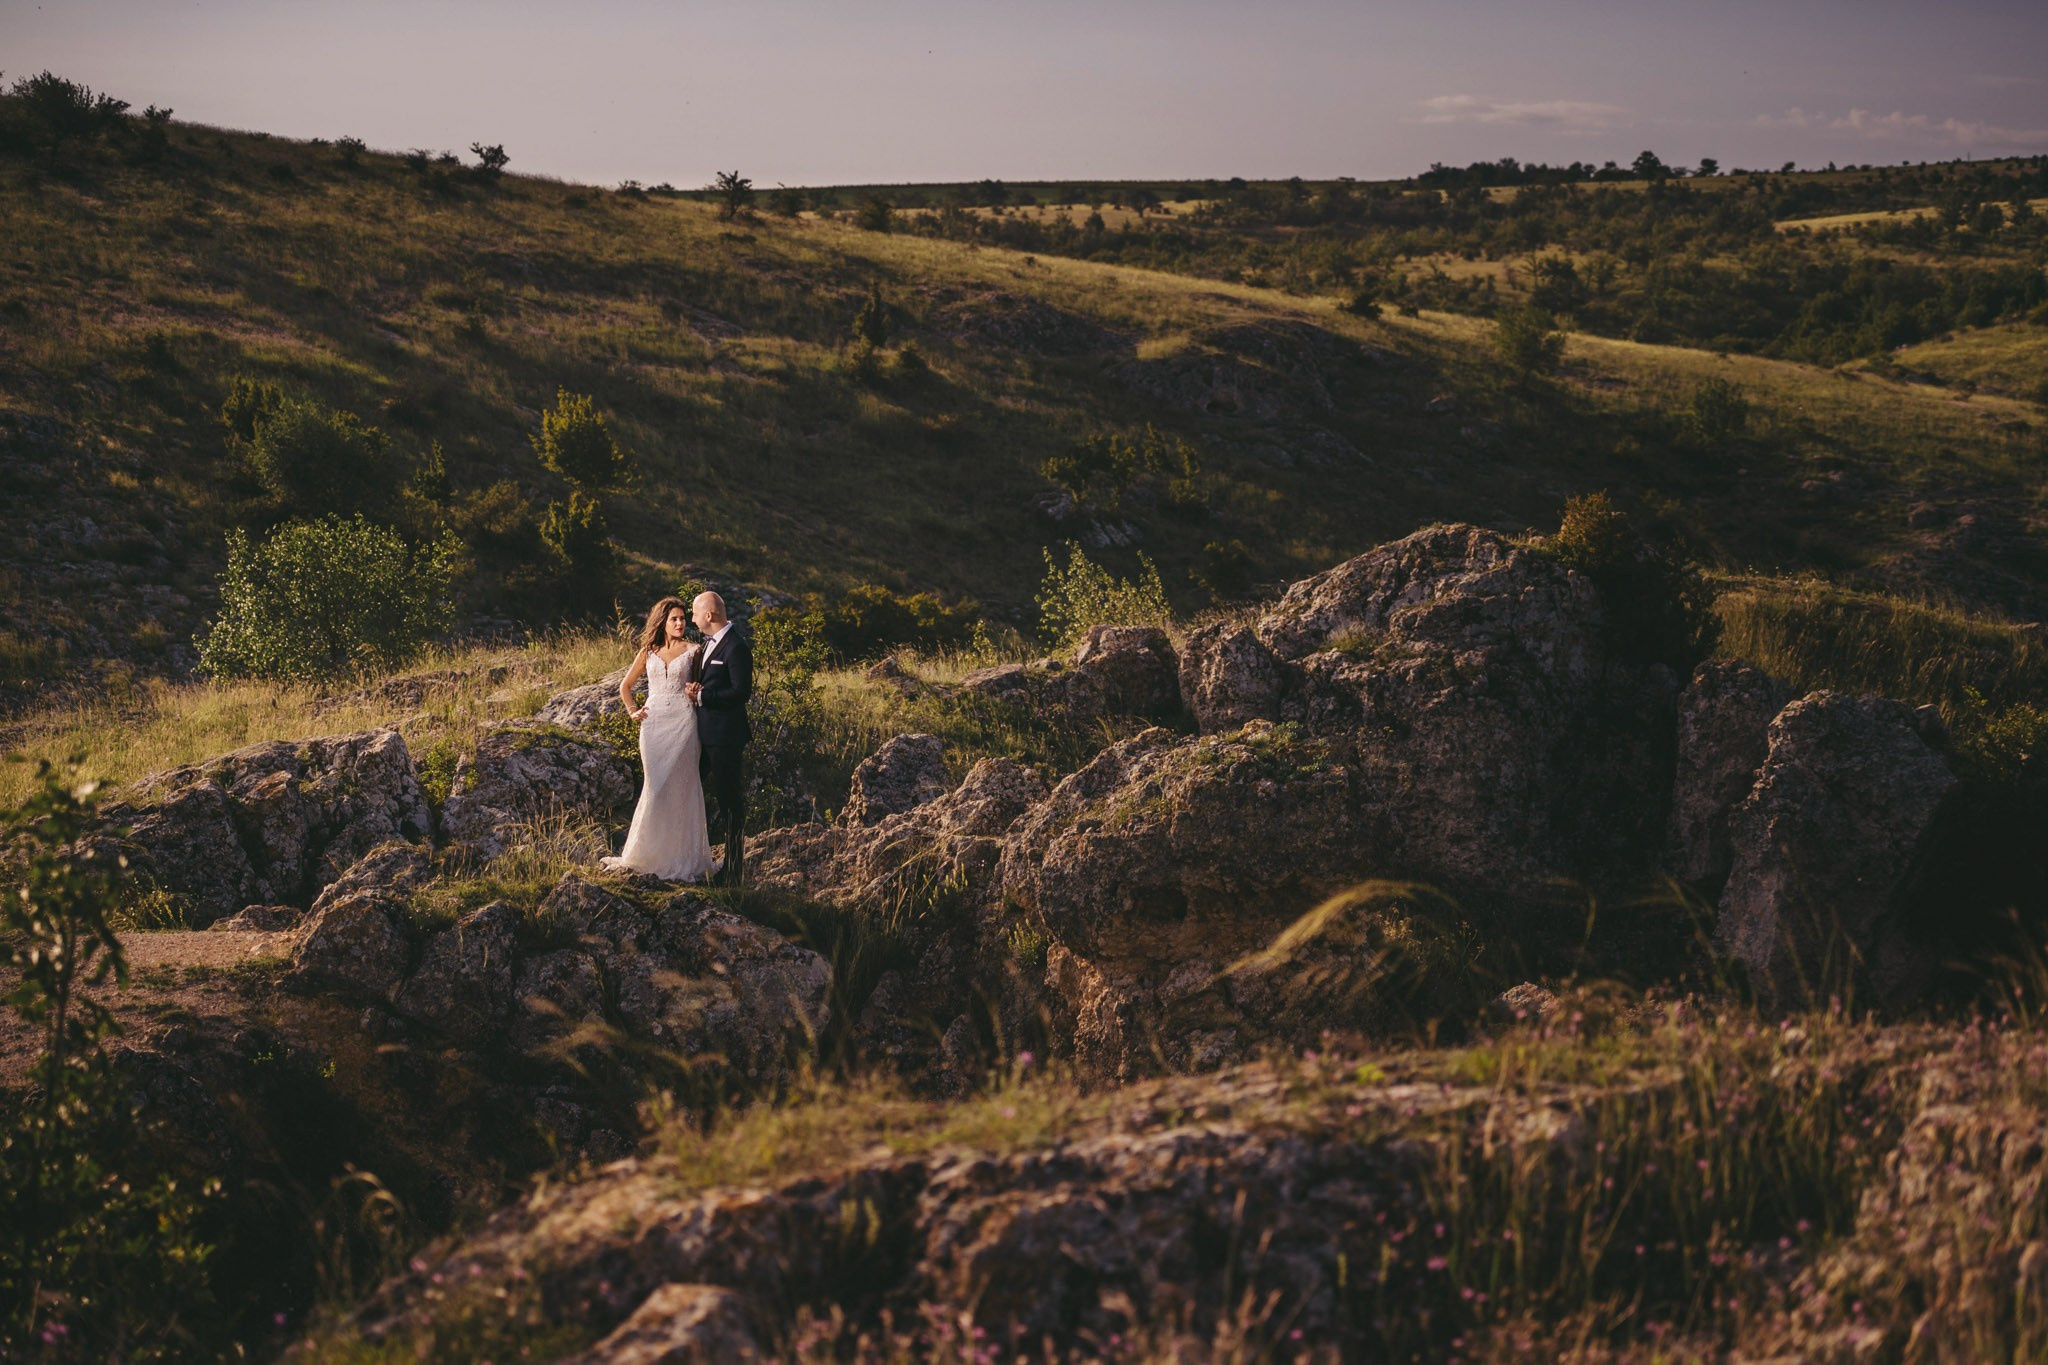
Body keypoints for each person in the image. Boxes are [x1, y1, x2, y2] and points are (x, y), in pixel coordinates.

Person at [600, 597, 713, 882]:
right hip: (652, 726)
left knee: (681, 786)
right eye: (674, 618)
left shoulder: (694, 650)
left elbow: (705, 685)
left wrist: (697, 690)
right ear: (662, 621)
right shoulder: (648, 651)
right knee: (656, 786)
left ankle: (681, 857)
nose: (679, 623)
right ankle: (647, 854)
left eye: (683, 618)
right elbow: (625, 686)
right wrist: (632, 712)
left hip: (684, 723)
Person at [685, 590, 752, 885]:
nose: (692, 618)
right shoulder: (707, 644)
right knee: (688, 793)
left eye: (695, 613)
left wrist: (702, 695)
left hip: (725, 737)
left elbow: (741, 693)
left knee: (729, 802)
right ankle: (687, 856)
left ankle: (734, 869)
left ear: (709, 615)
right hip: (702, 736)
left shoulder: (736, 647)